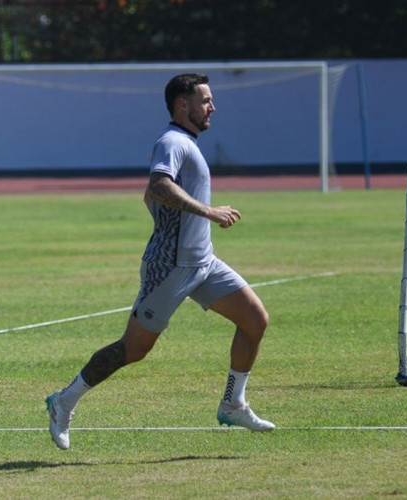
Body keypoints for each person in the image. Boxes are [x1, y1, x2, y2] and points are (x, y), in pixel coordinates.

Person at [45, 73, 274, 450]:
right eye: (205, 100)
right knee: (132, 350)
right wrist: (208, 212)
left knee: (254, 320)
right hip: (170, 269)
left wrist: (180, 225)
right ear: (182, 106)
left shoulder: (186, 143)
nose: (212, 107)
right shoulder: (172, 141)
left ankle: (233, 403)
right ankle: (63, 402)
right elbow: (158, 187)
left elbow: (150, 199)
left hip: (203, 263)